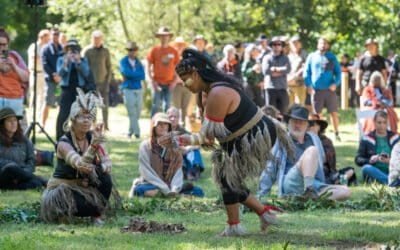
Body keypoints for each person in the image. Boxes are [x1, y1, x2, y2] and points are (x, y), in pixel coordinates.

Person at [172, 48, 292, 236]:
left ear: (195, 74)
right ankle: (263, 214)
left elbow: (205, 137)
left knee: (229, 179)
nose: (183, 84)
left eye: (185, 78)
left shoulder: (218, 92)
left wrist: (182, 139)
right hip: (235, 138)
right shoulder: (205, 93)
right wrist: (185, 138)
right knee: (227, 179)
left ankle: (235, 227)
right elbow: (210, 137)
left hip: (254, 135)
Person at [41, 90, 113, 225]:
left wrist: (102, 166)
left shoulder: (94, 137)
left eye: (89, 117)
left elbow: (107, 162)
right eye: (81, 116)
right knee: (80, 204)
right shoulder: (63, 143)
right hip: (61, 191)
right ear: (73, 119)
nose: (86, 121)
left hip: (83, 188)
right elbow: (79, 164)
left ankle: (96, 215)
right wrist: (93, 147)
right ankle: (63, 212)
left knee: (105, 177)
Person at [259, 105, 351, 201]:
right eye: (294, 121)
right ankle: (308, 191)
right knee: (311, 151)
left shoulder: (314, 139)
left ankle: (308, 198)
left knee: (345, 191)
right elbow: (270, 166)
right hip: (292, 181)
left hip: (315, 183)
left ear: (307, 125)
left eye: (301, 122)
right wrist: (262, 193)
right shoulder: (283, 140)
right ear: (288, 123)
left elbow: (321, 165)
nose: (297, 125)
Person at [128, 112, 204, 198]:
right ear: (154, 127)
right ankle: (170, 195)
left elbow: (177, 170)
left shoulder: (174, 146)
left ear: (169, 127)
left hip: (170, 184)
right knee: (139, 190)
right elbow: (146, 171)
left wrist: (175, 188)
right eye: (159, 124)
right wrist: (164, 188)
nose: (163, 126)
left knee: (198, 192)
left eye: (165, 124)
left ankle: (170, 194)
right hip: (152, 183)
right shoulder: (145, 145)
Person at [303, 37, 341, 141]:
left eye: (325, 43)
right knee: (316, 114)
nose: (323, 45)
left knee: (333, 112)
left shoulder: (332, 57)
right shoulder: (312, 56)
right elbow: (306, 72)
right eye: (321, 43)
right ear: (317, 44)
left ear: (328, 45)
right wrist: (309, 85)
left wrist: (335, 83)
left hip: (329, 90)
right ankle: (317, 133)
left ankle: (336, 133)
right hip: (317, 90)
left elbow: (338, 73)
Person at [0, 108, 46, 190]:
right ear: (2, 124)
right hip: (4, 175)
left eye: (15, 120)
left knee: (35, 183)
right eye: (9, 121)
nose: (13, 123)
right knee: (11, 167)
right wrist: (16, 168)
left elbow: (31, 160)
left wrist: (24, 172)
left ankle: (15, 187)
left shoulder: (25, 141)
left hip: (23, 176)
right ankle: (43, 181)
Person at [55, 39, 92, 140]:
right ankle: (60, 138)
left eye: (74, 50)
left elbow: (87, 73)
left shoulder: (83, 60)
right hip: (66, 90)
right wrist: (66, 63)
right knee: (63, 115)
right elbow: (59, 74)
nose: (72, 52)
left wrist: (78, 62)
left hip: (80, 91)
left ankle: (81, 139)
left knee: (81, 116)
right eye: (70, 50)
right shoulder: (61, 60)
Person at [308, 114, 356, 185]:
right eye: (309, 124)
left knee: (350, 171)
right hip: (311, 172)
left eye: (313, 124)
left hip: (327, 172)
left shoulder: (326, 141)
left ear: (319, 127)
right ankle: (336, 183)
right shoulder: (304, 140)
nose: (310, 127)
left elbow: (330, 163)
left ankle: (337, 182)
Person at [355, 110, 400, 185]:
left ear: (387, 123)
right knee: (366, 168)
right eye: (379, 122)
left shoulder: (395, 138)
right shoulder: (366, 139)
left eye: (384, 122)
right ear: (374, 122)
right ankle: (392, 182)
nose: (382, 125)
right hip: (375, 170)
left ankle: (390, 181)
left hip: (392, 169)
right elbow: (358, 159)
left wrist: (390, 161)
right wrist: (370, 160)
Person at [83, 30, 112, 130]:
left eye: (99, 39)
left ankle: (106, 125)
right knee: (92, 105)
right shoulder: (87, 51)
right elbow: (83, 66)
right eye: (95, 39)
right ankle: (93, 124)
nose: (97, 41)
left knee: (105, 105)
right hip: (91, 83)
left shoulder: (105, 51)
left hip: (103, 82)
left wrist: (107, 81)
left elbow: (109, 67)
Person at [147, 27, 179, 116]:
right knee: (156, 105)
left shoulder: (174, 51)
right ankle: (153, 127)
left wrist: (175, 81)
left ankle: (167, 127)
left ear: (169, 37)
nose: (164, 38)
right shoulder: (154, 50)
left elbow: (178, 68)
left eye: (166, 36)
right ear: (159, 37)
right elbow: (148, 66)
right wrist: (152, 81)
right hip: (157, 82)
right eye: (162, 36)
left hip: (170, 83)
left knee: (168, 106)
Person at [167, 107, 204, 181]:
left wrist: (189, 148)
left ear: (178, 118)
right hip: (172, 156)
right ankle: (187, 171)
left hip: (184, 153)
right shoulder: (164, 130)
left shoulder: (182, 130)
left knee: (194, 151)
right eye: (170, 116)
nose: (173, 119)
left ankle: (193, 171)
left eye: (175, 117)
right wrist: (183, 149)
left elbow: (197, 142)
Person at [0, 28, 29, 116]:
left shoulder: (14, 56)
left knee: (15, 128)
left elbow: (26, 78)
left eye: (4, 45)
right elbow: (4, 69)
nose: (1, 48)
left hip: (15, 98)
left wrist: (14, 66)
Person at [119, 41, 145, 139]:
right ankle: (137, 133)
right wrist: (134, 75)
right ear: (127, 51)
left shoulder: (139, 62)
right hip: (128, 88)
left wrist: (132, 75)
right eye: (130, 50)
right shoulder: (123, 61)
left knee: (138, 111)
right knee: (132, 111)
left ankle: (130, 131)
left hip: (138, 88)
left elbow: (142, 75)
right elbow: (125, 72)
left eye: (134, 50)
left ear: (136, 51)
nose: (132, 52)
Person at [262, 36, 291, 114]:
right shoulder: (267, 57)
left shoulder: (285, 58)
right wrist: (281, 70)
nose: (277, 46)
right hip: (270, 88)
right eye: (274, 44)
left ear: (281, 47)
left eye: (279, 44)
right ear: (271, 46)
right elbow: (266, 71)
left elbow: (288, 69)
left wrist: (274, 69)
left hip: (282, 88)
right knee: (270, 112)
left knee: (283, 111)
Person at [41, 28, 63, 129]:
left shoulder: (62, 48)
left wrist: (60, 75)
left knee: (60, 103)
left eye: (57, 34)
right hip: (50, 80)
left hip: (60, 82)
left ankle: (60, 125)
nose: (56, 36)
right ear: (51, 35)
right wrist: (53, 75)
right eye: (54, 34)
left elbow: (64, 63)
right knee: (48, 102)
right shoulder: (46, 48)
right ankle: (43, 125)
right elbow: (45, 64)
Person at [27, 29, 50, 117]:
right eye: (47, 38)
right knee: (34, 94)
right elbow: (35, 58)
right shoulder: (34, 46)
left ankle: (39, 114)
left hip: (43, 74)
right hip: (35, 73)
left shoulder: (45, 48)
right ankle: (32, 113)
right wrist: (44, 59)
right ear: (42, 37)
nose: (48, 40)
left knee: (43, 96)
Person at [170, 36, 192, 126]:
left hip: (187, 86)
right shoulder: (172, 58)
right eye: (178, 45)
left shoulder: (188, 59)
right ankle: (174, 125)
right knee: (176, 107)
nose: (179, 47)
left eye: (181, 45)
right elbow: (171, 72)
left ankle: (182, 126)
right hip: (176, 86)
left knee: (185, 108)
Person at [287, 35, 307, 106]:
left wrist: (296, 75)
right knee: (289, 107)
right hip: (289, 85)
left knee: (299, 107)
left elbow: (305, 68)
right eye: (293, 43)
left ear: (300, 44)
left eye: (296, 42)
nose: (295, 45)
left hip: (299, 84)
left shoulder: (304, 54)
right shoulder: (289, 55)